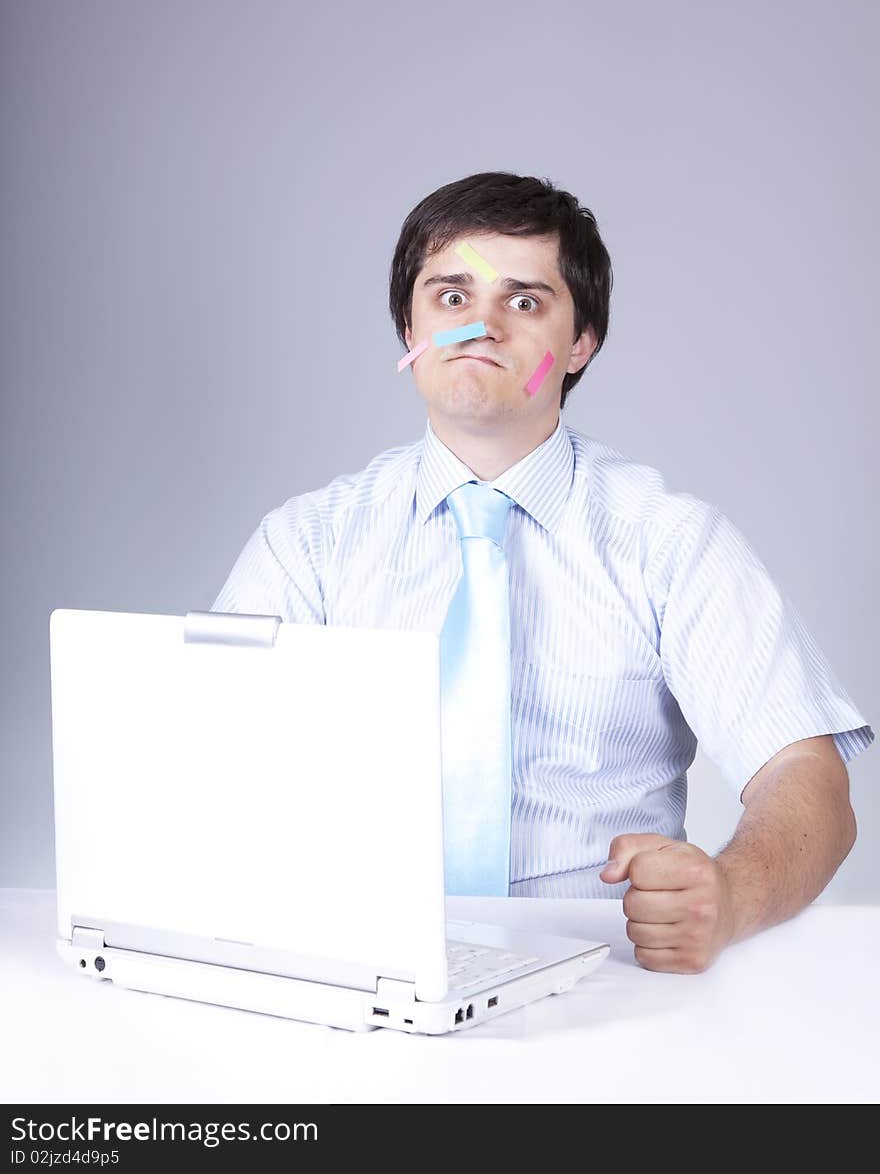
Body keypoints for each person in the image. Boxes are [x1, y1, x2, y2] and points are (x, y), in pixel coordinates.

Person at [211, 170, 872, 973]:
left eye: (523, 302)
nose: (480, 327)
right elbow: (211, 772)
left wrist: (729, 894)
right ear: (408, 328)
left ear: (581, 343)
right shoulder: (306, 545)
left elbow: (806, 778)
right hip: (355, 975)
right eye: (451, 298)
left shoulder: (672, 543)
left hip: (605, 978)